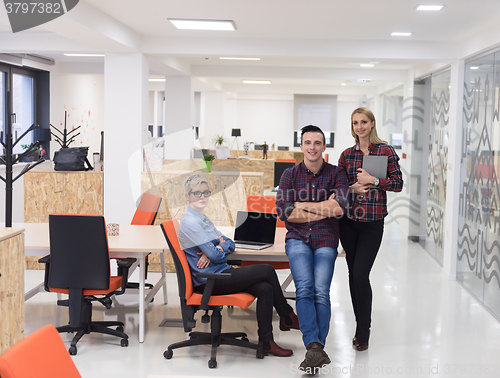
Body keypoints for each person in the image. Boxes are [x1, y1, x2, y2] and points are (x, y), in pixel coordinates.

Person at [178, 174, 300, 357]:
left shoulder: (203, 219)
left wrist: (218, 246)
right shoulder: (191, 223)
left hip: (221, 273)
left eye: (206, 193)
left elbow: (229, 242)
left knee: (265, 288)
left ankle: (266, 341)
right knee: (267, 270)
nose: (202, 197)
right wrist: (214, 251)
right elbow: (214, 255)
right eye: (197, 193)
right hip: (210, 280)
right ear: (187, 196)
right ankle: (287, 315)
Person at [276, 125, 349, 372]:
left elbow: (339, 208)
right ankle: (314, 347)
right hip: (297, 239)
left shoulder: (337, 174)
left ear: (324, 147)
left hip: (326, 239)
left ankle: (315, 349)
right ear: (301, 146)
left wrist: (304, 205)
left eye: (317, 143)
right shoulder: (289, 175)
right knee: (305, 288)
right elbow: (285, 213)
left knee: (321, 291)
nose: (312, 147)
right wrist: (323, 208)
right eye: (308, 143)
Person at [338, 107, 403, 352]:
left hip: (372, 224)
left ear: (372, 123)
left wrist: (374, 180)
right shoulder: (346, 155)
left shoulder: (385, 151)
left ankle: (363, 331)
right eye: (355, 123)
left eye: (363, 122)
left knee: (361, 274)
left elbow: (398, 184)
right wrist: (352, 188)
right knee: (353, 275)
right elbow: (338, 187)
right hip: (348, 222)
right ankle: (359, 325)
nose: (359, 127)